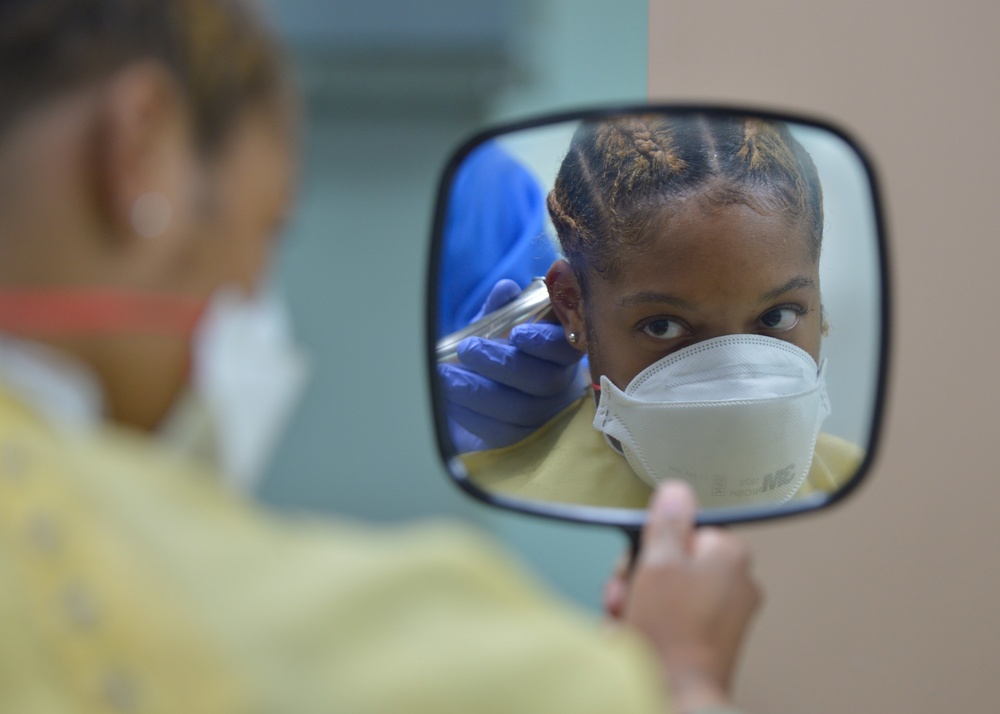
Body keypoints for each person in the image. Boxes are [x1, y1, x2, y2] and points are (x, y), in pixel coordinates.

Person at [0, 2, 760, 713]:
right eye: (266, 230)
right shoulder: (131, 584)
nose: (257, 306)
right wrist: (673, 673)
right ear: (141, 154)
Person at [464, 114, 864, 509]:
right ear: (572, 307)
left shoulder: (861, 489)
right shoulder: (501, 510)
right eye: (664, 326)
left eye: (777, 317)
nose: (736, 384)